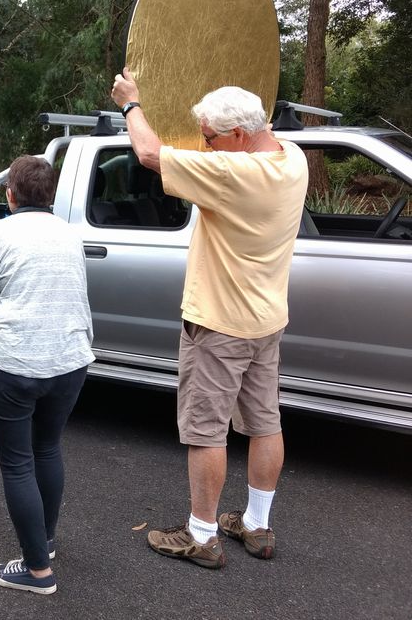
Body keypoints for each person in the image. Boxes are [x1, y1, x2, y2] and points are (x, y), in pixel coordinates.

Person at [111, 68, 308, 568]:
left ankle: (201, 534)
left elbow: (149, 155)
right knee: (266, 423)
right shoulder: (293, 159)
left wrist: (132, 103)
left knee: (206, 430)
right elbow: (251, 135)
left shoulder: (234, 173)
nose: (206, 146)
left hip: (220, 324)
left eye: (211, 138)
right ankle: (257, 525)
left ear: (240, 136)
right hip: (267, 320)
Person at [0, 155, 95, 595]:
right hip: (71, 359)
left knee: (17, 463)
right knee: (47, 448)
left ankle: (37, 570)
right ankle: (45, 540)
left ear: (10, 195)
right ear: (51, 196)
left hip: (15, 363)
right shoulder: (70, 235)